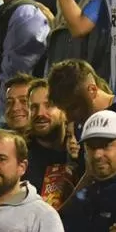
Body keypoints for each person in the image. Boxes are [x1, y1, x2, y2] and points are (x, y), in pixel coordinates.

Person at [25, 79, 82, 209]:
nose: (40, 113)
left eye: (49, 105)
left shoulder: (82, 150)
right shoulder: (19, 153)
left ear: (64, 109)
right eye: (33, 107)